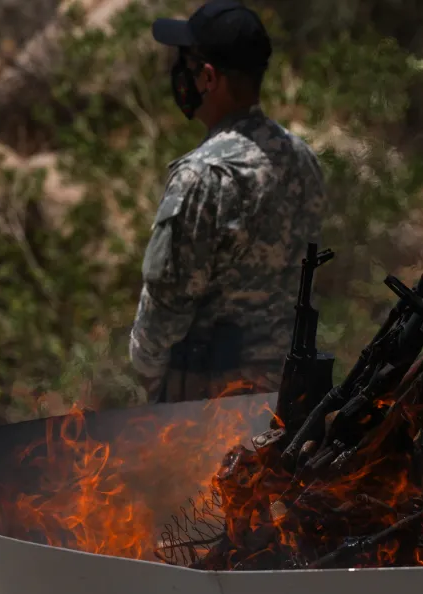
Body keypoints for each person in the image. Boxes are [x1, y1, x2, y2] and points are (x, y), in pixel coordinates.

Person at [129, 0, 327, 403]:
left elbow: (167, 302)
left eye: (185, 63)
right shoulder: (303, 158)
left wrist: (147, 372)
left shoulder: (202, 174)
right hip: (287, 395)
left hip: (207, 408)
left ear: (207, 77)